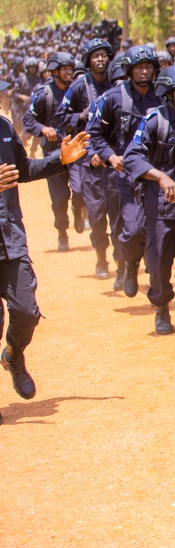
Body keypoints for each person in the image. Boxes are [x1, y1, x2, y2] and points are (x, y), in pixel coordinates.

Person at [0, 77, 89, 424]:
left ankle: (13, 354)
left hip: (10, 241)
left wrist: (60, 161)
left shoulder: (5, 129)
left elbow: (23, 170)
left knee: (25, 311)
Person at [122, 66, 175, 334]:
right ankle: (161, 308)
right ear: (167, 92)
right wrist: (160, 176)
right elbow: (132, 157)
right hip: (159, 203)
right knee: (158, 265)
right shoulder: (153, 121)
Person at [86, 45, 165, 297]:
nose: (144, 71)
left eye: (148, 67)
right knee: (131, 231)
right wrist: (110, 156)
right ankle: (130, 263)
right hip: (127, 177)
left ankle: (158, 288)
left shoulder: (164, 96)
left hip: (159, 177)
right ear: (129, 70)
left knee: (158, 233)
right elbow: (94, 134)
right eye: (139, 67)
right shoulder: (113, 98)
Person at [55, 38, 117, 279]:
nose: (100, 59)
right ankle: (101, 258)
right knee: (97, 214)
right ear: (88, 60)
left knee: (121, 213)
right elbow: (61, 117)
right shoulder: (79, 86)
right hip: (88, 159)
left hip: (114, 158)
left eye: (104, 55)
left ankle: (123, 262)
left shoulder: (117, 84)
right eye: (95, 56)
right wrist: (82, 115)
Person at [23, 51, 86, 250]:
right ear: (55, 72)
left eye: (70, 68)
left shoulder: (78, 91)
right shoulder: (44, 94)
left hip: (76, 151)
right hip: (53, 153)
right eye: (65, 69)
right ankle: (62, 233)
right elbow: (27, 119)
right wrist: (43, 128)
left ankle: (78, 209)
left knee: (80, 189)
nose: (69, 72)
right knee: (59, 198)